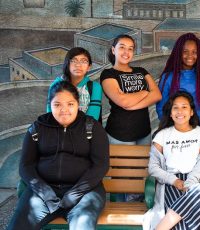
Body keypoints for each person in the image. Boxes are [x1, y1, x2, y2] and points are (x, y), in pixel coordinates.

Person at [7, 81, 109, 230]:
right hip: (43, 192)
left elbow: (101, 165)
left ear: (78, 104)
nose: (64, 110)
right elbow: (25, 166)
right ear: (50, 105)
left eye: (70, 104)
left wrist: (74, 194)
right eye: (57, 105)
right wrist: (45, 192)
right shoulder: (37, 128)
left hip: (84, 193)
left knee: (83, 226)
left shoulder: (92, 127)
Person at [143, 91, 200, 230]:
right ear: (170, 113)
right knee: (184, 219)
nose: (180, 111)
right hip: (171, 183)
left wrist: (188, 184)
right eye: (175, 107)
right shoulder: (162, 135)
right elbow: (153, 167)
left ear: (192, 111)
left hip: (198, 181)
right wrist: (175, 181)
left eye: (184, 107)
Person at [100, 34, 161, 145]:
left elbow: (157, 95)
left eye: (130, 49)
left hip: (144, 132)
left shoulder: (141, 71)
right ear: (114, 50)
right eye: (122, 47)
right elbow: (123, 101)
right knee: (123, 163)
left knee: (143, 163)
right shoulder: (108, 74)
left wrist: (130, 106)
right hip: (119, 135)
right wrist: (145, 92)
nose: (126, 52)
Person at [156, 33, 200, 131]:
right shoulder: (168, 78)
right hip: (175, 134)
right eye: (185, 51)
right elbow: (161, 108)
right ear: (178, 52)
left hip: (199, 134)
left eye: (194, 52)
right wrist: (173, 132)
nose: (190, 55)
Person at [47, 47, 102, 121]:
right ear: (67, 63)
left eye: (83, 61)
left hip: (84, 130)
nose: (78, 65)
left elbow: (92, 119)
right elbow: (51, 114)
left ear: (89, 67)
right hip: (59, 130)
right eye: (74, 61)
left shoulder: (95, 87)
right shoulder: (56, 85)